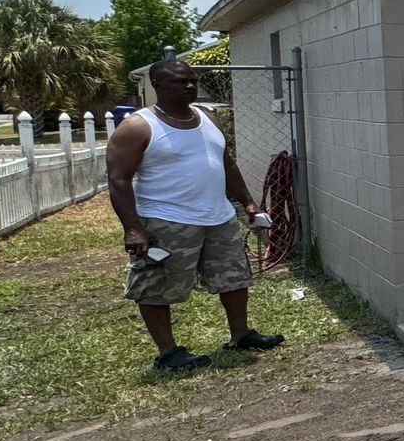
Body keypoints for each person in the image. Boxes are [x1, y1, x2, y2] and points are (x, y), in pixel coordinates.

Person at [107, 57, 285, 372]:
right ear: (157, 85)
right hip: (166, 220)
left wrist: (248, 204)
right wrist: (133, 229)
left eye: (192, 80)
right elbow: (118, 179)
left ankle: (240, 335)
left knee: (234, 278)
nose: (189, 86)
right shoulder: (138, 126)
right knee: (156, 285)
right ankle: (168, 353)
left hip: (219, 217)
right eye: (180, 81)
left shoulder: (208, 118)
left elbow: (227, 164)